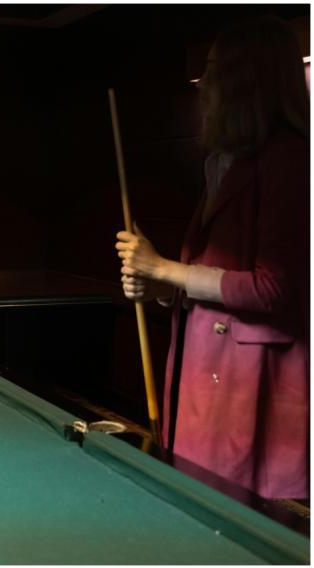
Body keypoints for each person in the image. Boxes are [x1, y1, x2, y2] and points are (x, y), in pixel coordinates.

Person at [115, 15, 309, 499]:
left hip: (252, 389)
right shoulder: (223, 161)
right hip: (205, 375)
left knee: (236, 526)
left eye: (215, 70)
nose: (204, 86)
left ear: (247, 80)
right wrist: (159, 286)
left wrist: (162, 267)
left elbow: (275, 287)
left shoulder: (289, 159)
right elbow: (202, 281)